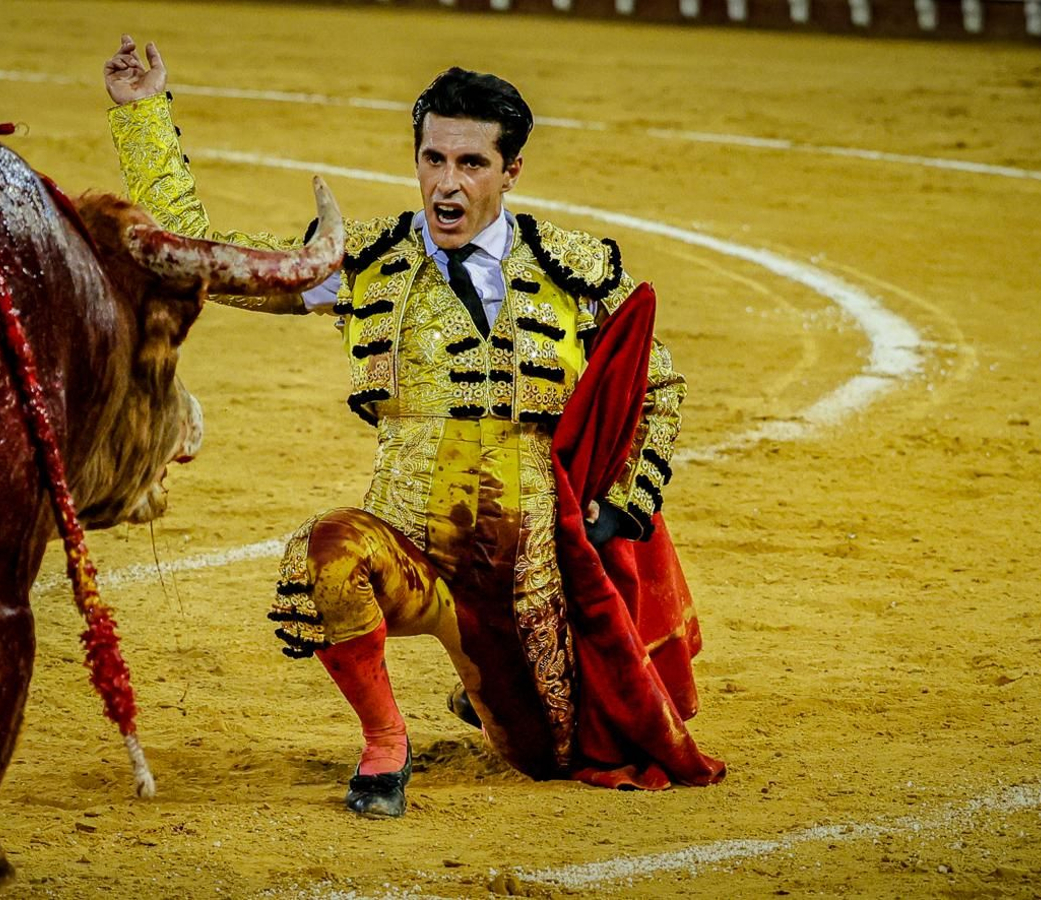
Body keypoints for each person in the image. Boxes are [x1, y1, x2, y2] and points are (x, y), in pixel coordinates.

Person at [103, 36, 724, 818]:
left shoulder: (574, 271)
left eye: (470, 164)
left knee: (552, 759)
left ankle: (487, 690)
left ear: (510, 172)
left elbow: (657, 379)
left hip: (523, 586)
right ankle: (385, 742)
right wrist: (142, 117)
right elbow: (204, 259)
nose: (447, 183)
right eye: (434, 160)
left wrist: (626, 504)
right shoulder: (367, 263)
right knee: (325, 553)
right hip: (409, 558)